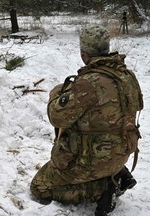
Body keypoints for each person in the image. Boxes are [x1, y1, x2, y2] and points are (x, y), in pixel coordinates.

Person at [30, 25, 143, 215]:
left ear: (84, 55)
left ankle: (102, 190)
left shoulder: (88, 82)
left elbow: (57, 117)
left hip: (92, 160)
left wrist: (56, 93)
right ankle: (119, 174)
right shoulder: (127, 75)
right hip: (121, 154)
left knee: (39, 187)